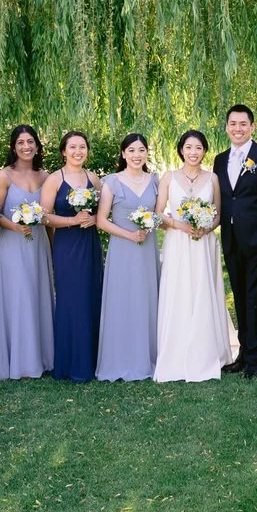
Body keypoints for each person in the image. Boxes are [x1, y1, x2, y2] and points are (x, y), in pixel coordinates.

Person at [153, 130, 238, 382]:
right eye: (189, 147)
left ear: (204, 151)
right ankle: (176, 354)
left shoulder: (212, 179)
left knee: (203, 291)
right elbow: (158, 215)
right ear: (181, 149)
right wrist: (180, 225)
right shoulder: (168, 177)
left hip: (203, 244)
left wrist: (205, 227)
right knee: (179, 292)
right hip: (178, 243)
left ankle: (207, 352)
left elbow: (218, 216)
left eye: (198, 148)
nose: (193, 152)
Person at [213, 104, 257, 379]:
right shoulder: (220, 160)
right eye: (233, 123)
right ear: (227, 127)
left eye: (243, 124)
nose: (238, 128)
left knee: (256, 298)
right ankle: (242, 353)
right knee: (240, 298)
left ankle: (255, 358)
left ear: (252, 127)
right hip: (231, 239)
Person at [0, 125, 55, 380]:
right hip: (13, 244)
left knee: (38, 294)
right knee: (19, 297)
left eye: (30, 142)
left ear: (37, 146)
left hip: (38, 244)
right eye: (20, 142)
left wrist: (51, 246)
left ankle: (42, 357)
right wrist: (15, 226)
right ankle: (18, 361)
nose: (26, 146)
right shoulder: (3, 176)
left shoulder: (46, 176)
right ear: (13, 147)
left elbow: (47, 217)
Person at [96, 133, 160, 381]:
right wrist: (129, 235)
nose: (136, 155)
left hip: (147, 248)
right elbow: (101, 221)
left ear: (146, 153)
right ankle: (121, 359)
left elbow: (159, 215)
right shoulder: (111, 182)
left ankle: (149, 356)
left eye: (141, 150)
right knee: (123, 300)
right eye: (131, 150)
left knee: (147, 297)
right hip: (123, 249)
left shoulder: (155, 181)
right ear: (123, 154)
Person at [40, 131, 103, 383]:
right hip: (66, 245)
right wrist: (72, 220)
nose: (78, 151)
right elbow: (43, 216)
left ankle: (93, 359)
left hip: (89, 244)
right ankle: (70, 363)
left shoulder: (94, 179)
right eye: (73, 147)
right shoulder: (55, 179)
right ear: (63, 151)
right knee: (70, 300)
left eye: (83, 147)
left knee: (91, 296)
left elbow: (102, 213)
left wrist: (93, 219)